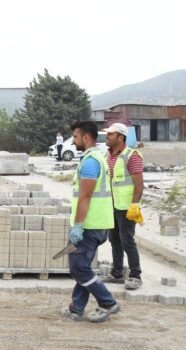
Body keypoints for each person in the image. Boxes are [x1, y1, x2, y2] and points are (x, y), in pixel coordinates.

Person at [61, 121, 120, 323]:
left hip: (90, 224)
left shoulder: (90, 162)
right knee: (83, 266)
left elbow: (85, 196)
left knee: (79, 268)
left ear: (86, 137)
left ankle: (108, 302)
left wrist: (78, 226)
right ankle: (76, 308)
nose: (73, 140)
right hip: (97, 222)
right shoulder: (96, 157)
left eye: (76, 137)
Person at [103, 123, 144, 290]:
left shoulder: (131, 156)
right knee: (114, 240)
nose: (107, 137)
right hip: (111, 205)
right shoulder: (109, 155)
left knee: (127, 241)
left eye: (110, 134)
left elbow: (139, 184)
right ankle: (117, 273)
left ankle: (135, 275)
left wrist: (134, 205)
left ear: (120, 137)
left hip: (126, 207)